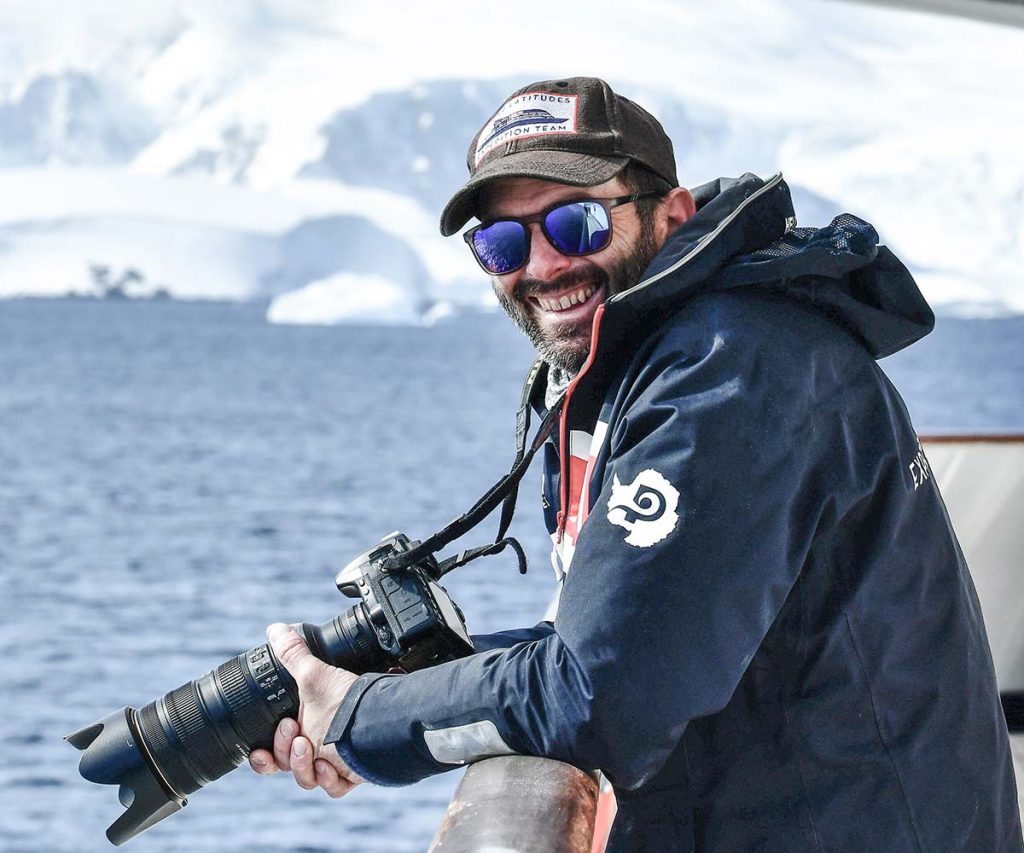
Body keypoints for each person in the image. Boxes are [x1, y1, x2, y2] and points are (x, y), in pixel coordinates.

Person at [250, 77, 1022, 850]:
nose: (544, 266)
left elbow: (602, 694)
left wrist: (361, 722)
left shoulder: (730, 374)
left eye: (578, 223)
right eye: (503, 244)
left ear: (671, 214)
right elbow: (640, 627)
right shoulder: (651, 358)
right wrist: (385, 691)